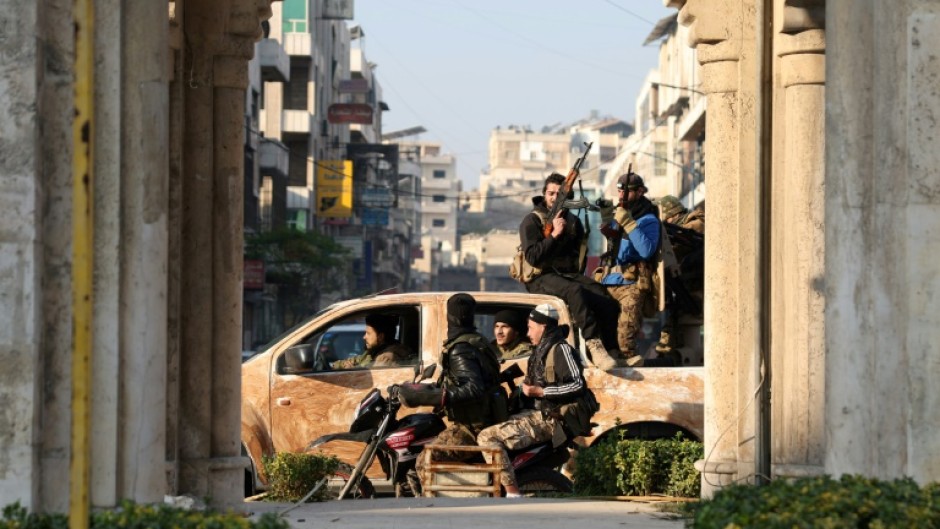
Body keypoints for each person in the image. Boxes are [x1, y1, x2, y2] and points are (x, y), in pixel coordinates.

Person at [477, 304, 597, 498]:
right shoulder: (540, 350)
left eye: (531, 327)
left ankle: (512, 493)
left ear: (543, 327)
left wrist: (541, 391)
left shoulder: (561, 349)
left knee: (488, 437)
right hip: (535, 413)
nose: (528, 332)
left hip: (549, 418)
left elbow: (577, 385)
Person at [398, 294, 508, 487]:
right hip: (484, 417)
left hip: (473, 426)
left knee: (425, 462)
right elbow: (461, 381)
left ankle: (438, 509)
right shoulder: (477, 341)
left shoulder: (461, 349)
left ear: (450, 317)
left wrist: (441, 397)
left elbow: (474, 388)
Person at [519, 172, 621, 371]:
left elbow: (578, 256)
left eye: (560, 194)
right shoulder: (532, 221)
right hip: (541, 276)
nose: (555, 198)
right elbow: (533, 257)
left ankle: (613, 350)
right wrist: (554, 235)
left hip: (566, 275)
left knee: (606, 299)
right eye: (551, 193)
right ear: (544, 194)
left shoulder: (573, 222)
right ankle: (594, 344)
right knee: (575, 291)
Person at [598, 172, 661, 367]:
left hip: (632, 283)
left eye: (626, 191)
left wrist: (628, 223)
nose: (621, 195)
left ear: (640, 192)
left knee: (625, 338)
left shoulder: (648, 219)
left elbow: (646, 250)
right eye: (619, 191)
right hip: (610, 279)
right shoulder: (621, 213)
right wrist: (609, 219)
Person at [331, 313, 415, 369]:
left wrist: (352, 371)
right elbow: (357, 360)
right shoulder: (373, 352)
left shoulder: (387, 357)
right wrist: (337, 365)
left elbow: (373, 380)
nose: (364, 337)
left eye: (368, 333)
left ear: (380, 337)